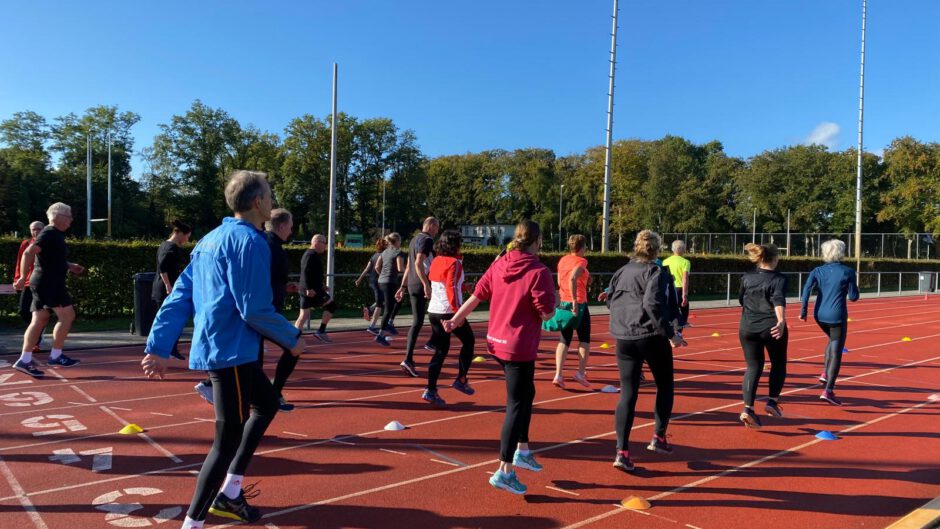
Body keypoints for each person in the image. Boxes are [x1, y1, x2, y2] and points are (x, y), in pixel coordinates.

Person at [141, 170, 303, 528]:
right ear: (258, 201)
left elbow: (179, 296)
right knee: (226, 440)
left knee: (266, 405)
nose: (273, 200)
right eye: (270, 194)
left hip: (224, 348)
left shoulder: (208, 241)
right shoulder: (250, 242)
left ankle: (230, 490)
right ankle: (193, 522)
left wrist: (159, 345)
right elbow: (254, 308)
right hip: (231, 351)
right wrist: (292, 338)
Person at [444, 220, 556, 495]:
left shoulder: (500, 263)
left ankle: (523, 449)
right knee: (516, 405)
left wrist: (456, 320)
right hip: (518, 346)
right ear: (537, 241)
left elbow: (477, 295)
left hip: (497, 342)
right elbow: (546, 313)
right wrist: (557, 306)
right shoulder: (538, 271)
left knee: (526, 394)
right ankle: (505, 469)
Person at [606, 230, 682, 473]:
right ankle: (658, 437)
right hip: (650, 335)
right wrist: (671, 334)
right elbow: (652, 304)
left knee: (627, 394)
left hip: (623, 336)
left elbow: (609, 299)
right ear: (657, 250)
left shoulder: (622, 270)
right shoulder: (655, 272)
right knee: (665, 385)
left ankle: (622, 450)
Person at [12, 203, 85, 377]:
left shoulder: (55, 235)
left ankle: (25, 359)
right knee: (67, 316)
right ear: (57, 216)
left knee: (40, 319)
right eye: (68, 216)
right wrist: (22, 277)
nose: (71, 220)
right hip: (49, 283)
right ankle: (56, 355)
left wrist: (69, 266)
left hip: (43, 282)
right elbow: (29, 252)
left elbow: (48, 258)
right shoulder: (50, 233)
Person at [799, 239, 860, 405]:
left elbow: (806, 289)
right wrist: (853, 287)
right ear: (841, 252)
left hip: (819, 315)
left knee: (832, 340)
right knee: (836, 351)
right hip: (837, 316)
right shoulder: (848, 271)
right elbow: (854, 297)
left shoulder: (817, 270)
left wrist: (803, 311)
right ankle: (829, 390)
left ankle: (825, 374)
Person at [738, 243, 789, 429]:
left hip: (747, 328)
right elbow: (778, 299)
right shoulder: (779, 279)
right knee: (778, 363)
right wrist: (781, 321)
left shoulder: (747, 277)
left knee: (753, 367)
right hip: (771, 327)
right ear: (775, 259)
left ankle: (748, 409)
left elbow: (740, 299)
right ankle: (772, 402)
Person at [422, 230, 476, 406]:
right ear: (455, 245)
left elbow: (442, 283)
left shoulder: (437, 260)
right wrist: (458, 314)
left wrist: (463, 287)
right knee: (469, 341)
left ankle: (430, 390)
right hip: (449, 311)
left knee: (440, 351)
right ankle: (461, 378)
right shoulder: (455, 263)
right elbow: (451, 287)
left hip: (434, 311)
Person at [396, 217, 440, 376]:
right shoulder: (427, 240)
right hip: (423, 284)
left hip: (413, 284)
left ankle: (410, 357)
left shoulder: (414, 239)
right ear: (431, 226)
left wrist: (403, 286)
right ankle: (430, 344)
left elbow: (409, 265)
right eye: (437, 228)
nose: (437, 232)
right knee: (442, 312)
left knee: (419, 321)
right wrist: (426, 285)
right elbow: (417, 263)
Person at [552, 234, 593, 389]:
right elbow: (572, 279)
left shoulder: (563, 260)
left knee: (564, 339)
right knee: (584, 339)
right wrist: (575, 300)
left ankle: (558, 374)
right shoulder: (581, 260)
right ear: (582, 247)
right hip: (579, 303)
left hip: (564, 302)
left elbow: (560, 280)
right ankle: (580, 373)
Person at [153, 220, 192, 360]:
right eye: (187, 236)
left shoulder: (164, 245)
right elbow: (163, 268)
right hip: (167, 289)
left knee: (169, 320)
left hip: (163, 288)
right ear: (180, 233)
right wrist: (168, 286)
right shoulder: (171, 248)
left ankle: (171, 348)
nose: (187, 240)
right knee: (170, 320)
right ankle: (163, 350)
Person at [295, 234, 336, 343]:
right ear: (316, 242)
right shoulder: (310, 255)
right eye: (324, 243)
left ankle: (293, 340)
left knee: (303, 315)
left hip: (313, 289)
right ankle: (320, 331)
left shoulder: (313, 255)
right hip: (311, 291)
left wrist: (322, 285)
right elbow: (305, 272)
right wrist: (308, 288)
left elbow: (314, 274)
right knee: (331, 305)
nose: (325, 246)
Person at [13, 221, 46, 353]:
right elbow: (20, 261)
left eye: (38, 229)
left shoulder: (48, 243)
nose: (36, 232)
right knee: (23, 311)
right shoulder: (26, 244)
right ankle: (39, 330)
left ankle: (36, 342)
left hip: (42, 283)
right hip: (27, 282)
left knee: (38, 312)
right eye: (33, 230)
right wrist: (18, 279)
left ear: (44, 229)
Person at [374, 233, 405, 346]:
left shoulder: (384, 252)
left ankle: (389, 323)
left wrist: (382, 274)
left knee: (398, 300)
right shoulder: (398, 252)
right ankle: (381, 334)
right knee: (388, 308)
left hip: (382, 281)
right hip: (389, 282)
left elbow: (377, 266)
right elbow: (400, 268)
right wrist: (410, 271)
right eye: (400, 240)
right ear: (397, 241)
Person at [355, 238, 387, 334]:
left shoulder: (374, 256)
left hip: (373, 282)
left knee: (384, 300)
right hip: (377, 282)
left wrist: (359, 279)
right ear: (384, 246)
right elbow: (372, 268)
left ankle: (370, 309)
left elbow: (366, 269)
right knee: (380, 304)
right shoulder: (383, 256)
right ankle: (372, 326)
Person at [662, 240, 692, 329]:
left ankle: (670, 324)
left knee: (671, 308)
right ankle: (682, 325)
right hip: (679, 288)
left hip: (668, 288)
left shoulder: (665, 261)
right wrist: (685, 294)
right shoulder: (685, 262)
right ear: (682, 249)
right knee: (684, 306)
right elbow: (685, 278)